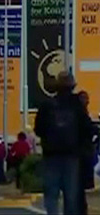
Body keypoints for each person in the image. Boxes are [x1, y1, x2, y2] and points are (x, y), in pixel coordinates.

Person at [35, 71, 93, 215]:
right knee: (71, 196)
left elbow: (38, 129)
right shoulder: (77, 106)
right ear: (72, 86)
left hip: (51, 155)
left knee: (51, 194)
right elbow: (87, 129)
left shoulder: (46, 105)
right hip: (72, 156)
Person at [78, 90, 97, 215]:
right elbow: (89, 129)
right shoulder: (80, 114)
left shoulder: (81, 114)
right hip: (80, 154)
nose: (88, 101)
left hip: (79, 154)